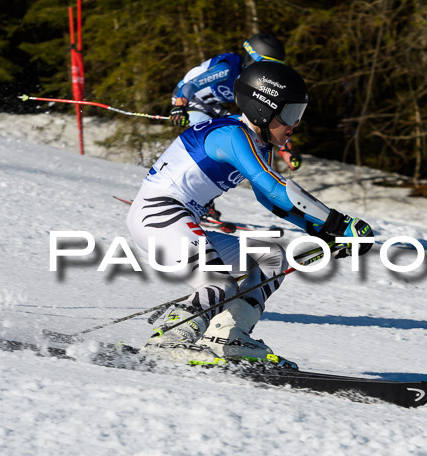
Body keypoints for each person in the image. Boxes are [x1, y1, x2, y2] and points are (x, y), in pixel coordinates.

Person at [127, 61, 373, 365]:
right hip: (159, 215)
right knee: (219, 283)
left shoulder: (254, 139)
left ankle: (227, 336)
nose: (295, 124)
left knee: (271, 257)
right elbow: (274, 188)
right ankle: (170, 336)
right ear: (263, 110)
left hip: (176, 218)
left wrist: (321, 231)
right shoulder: (232, 135)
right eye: (290, 114)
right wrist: (338, 223)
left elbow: (268, 201)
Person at [169, 32, 302, 177]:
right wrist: (179, 106)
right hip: (188, 101)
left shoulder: (255, 80)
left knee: (242, 128)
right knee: (220, 130)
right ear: (252, 59)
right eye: (267, 65)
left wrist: (287, 149)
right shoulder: (227, 69)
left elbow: (266, 120)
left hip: (212, 106)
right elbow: (190, 86)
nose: (271, 72)